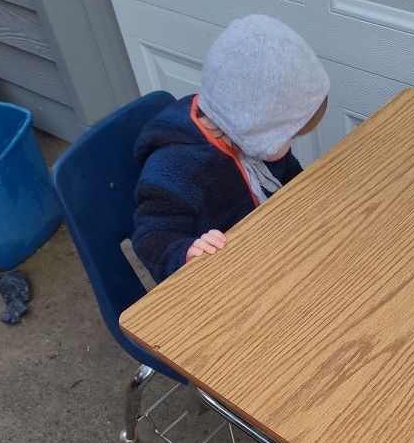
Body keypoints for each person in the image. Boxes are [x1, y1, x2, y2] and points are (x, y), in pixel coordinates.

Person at [132, 15, 329, 284]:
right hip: (220, 283)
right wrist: (187, 252)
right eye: (288, 136)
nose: (291, 144)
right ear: (253, 124)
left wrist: (307, 195)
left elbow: (290, 178)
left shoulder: (247, 136)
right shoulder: (172, 171)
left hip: (269, 255)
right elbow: (151, 238)